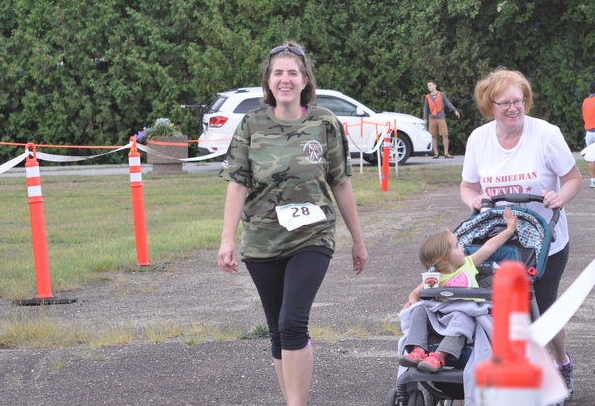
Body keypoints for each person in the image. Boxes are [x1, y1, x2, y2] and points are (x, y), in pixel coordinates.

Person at [217, 42, 368, 406]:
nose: (285, 79)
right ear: (268, 82)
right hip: (262, 239)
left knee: (292, 323)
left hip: (312, 236)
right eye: (278, 73)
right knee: (276, 330)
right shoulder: (250, 124)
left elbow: (340, 182)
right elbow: (237, 184)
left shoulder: (325, 122)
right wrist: (227, 240)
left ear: (305, 80)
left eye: (292, 73)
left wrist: (358, 241)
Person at [459, 68, 583, 399]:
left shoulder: (546, 134)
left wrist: (560, 196)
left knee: (542, 308)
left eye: (519, 101)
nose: (514, 109)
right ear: (490, 105)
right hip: (497, 238)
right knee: (491, 305)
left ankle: (561, 362)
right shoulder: (479, 139)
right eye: (505, 103)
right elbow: (468, 185)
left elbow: (572, 178)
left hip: (545, 239)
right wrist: (473, 199)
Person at [399, 207, 517, 372]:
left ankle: (439, 356)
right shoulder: (435, 277)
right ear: (445, 258)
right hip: (441, 315)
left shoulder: (468, 264)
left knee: (462, 317)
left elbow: (489, 247)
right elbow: (415, 293)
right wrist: (412, 303)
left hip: (465, 314)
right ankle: (418, 350)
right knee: (420, 311)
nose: (463, 248)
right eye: (457, 246)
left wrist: (509, 229)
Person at [423, 80, 460, 158]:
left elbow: (448, 103)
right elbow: (425, 108)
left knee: (445, 135)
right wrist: (425, 118)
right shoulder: (427, 97)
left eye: (430, 85)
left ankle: (446, 153)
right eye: (428, 86)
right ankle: (436, 153)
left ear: (435, 86)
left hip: (441, 117)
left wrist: (455, 110)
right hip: (432, 118)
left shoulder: (441, 95)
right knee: (433, 136)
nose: (429, 87)